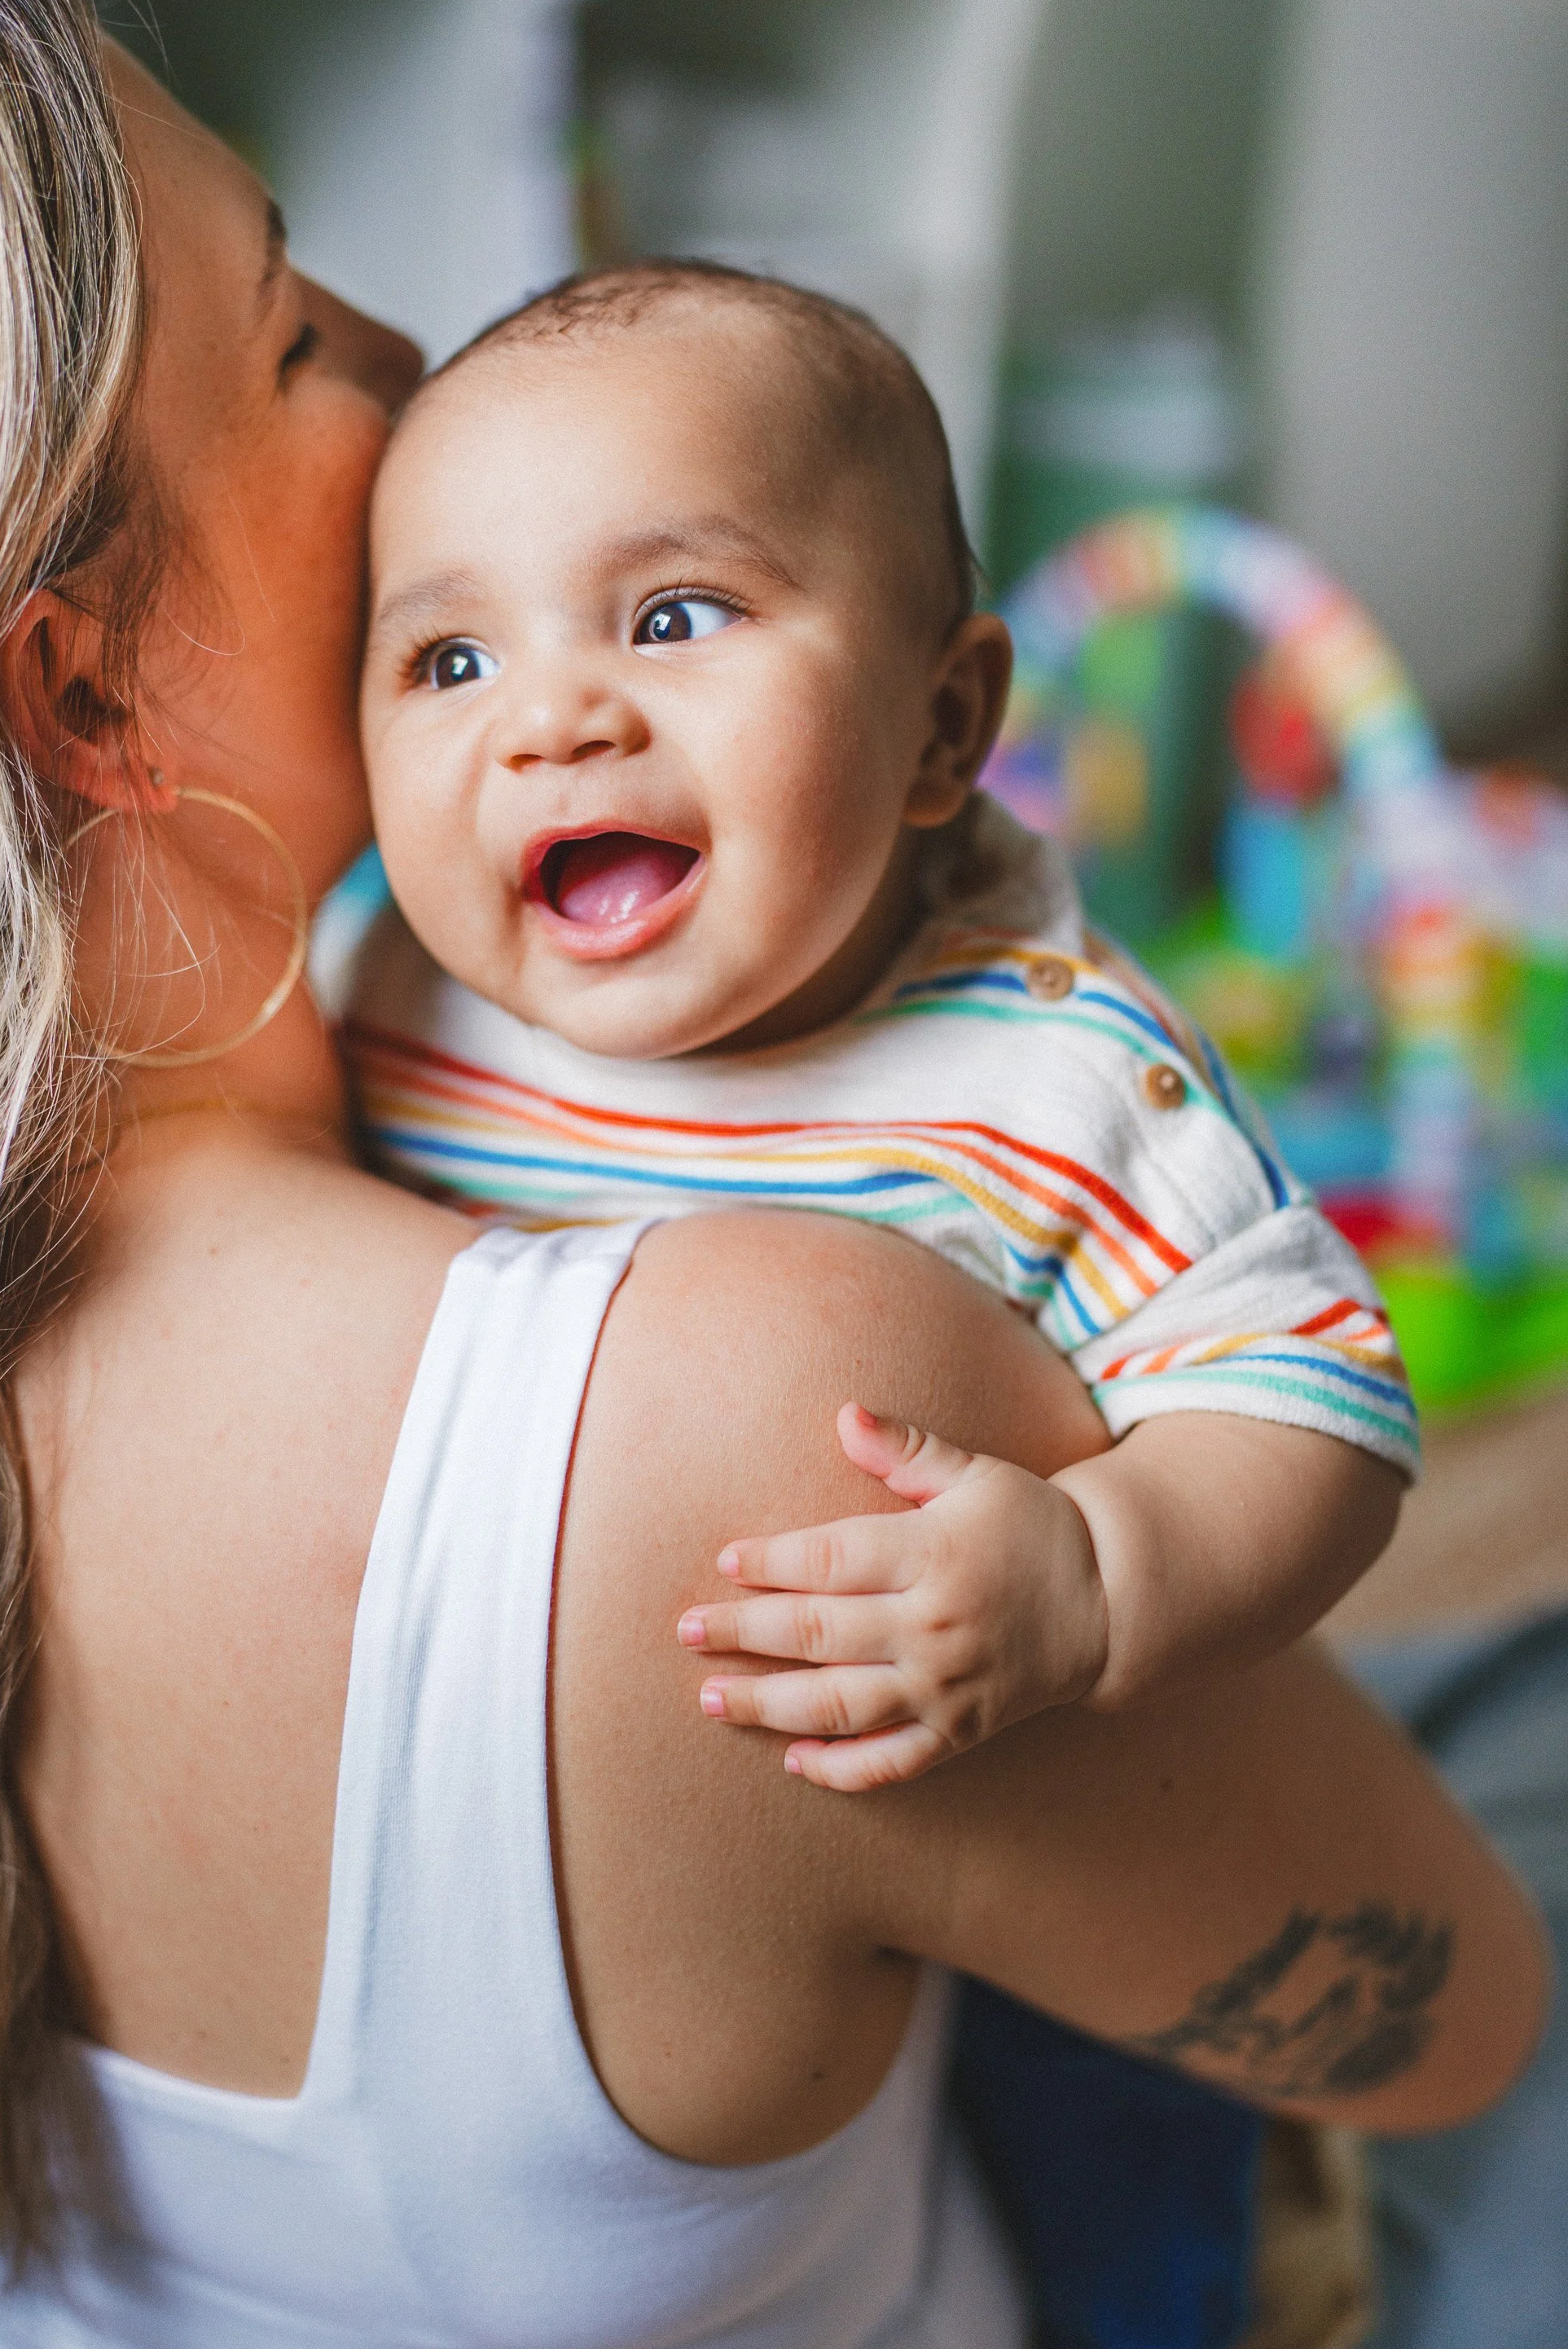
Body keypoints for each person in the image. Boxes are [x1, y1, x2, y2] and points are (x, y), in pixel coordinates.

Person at [0, 0, 1544, 2347]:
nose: (423, 373)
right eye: (299, 330)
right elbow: (1445, 2014)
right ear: (87, 692)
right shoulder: (740, 1434)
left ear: (946, 723)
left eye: (672, 614)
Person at [345, 262, 1411, 1795]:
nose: (549, 721)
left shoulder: (1060, 1080)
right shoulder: (387, 991)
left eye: (672, 616)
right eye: (452, 661)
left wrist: (1093, 1575)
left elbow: (1316, 1409)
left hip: (954, 1815)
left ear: (944, 725)